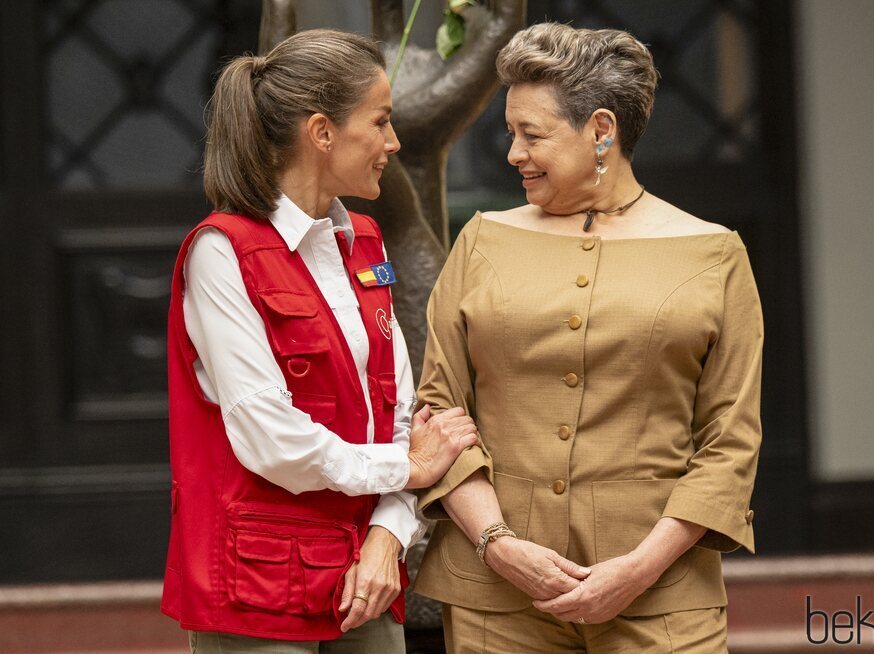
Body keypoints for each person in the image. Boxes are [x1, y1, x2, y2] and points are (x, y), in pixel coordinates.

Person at [413, 23, 763, 653]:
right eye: (511, 132)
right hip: (497, 598)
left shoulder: (714, 256)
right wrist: (500, 546)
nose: (513, 153)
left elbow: (729, 444)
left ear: (602, 131)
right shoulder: (482, 242)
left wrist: (638, 569)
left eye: (532, 134)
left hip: (661, 598)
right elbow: (437, 413)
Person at [160, 29, 479, 653]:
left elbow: (400, 418)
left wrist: (390, 534)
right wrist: (407, 469)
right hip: (256, 590)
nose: (393, 141)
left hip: (364, 577)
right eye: (380, 121)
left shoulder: (363, 240)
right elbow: (270, 440)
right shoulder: (222, 252)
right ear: (322, 132)